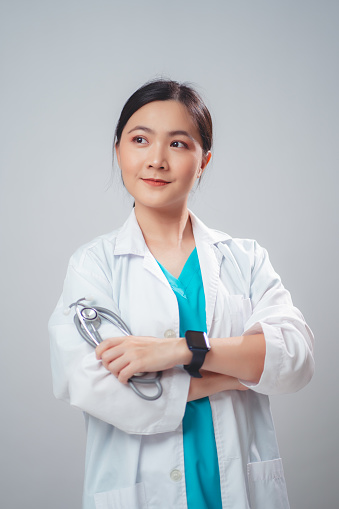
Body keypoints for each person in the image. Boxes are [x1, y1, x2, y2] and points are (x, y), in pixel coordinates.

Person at [49, 79, 314, 509]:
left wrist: (177, 351)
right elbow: (90, 383)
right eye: (140, 140)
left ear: (203, 160)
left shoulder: (244, 259)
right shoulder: (93, 265)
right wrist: (234, 373)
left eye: (178, 143)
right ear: (118, 150)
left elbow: (295, 358)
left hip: (240, 491)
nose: (156, 160)